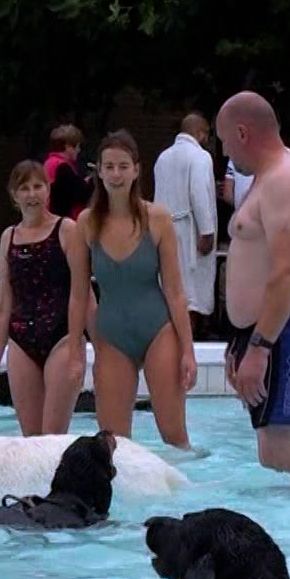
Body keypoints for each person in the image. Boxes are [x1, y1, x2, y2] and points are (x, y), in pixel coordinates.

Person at [216, 91, 290, 484]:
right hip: (271, 333)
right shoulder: (265, 181)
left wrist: (259, 348)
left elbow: (288, 272)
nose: (224, 151)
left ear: (242, 132)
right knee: (275, 457)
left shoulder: (287, 179)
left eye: (223, 141)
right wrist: (242, 339)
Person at [82, 130, 197, 448]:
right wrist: (93, 344)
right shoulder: (87, 223)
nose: (116, 174)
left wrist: (187, 349)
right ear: (99, 171)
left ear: (136, 169)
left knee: (174, 436)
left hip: (158, 330)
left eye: (123, 166)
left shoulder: (158, 218)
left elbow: (175, 291)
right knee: (112, 445)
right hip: (112, 337)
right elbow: (80, 294)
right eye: (109, 167)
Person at [0, 160, 91, 436]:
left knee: (51, 441)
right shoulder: (9, 237)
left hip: (61, 338)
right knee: (31, 444)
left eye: (38, 186)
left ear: (48, 190)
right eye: (24, 188)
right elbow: (5, 305)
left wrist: (78, 347)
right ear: (14, 196)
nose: (32, 194)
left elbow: (81, 293)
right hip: (21, 342)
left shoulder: (67, 230)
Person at [152, 113, 220, 338]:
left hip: (164, 232)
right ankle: (189, 341)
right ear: (200, 132)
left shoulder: (163, 157)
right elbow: (199, 193)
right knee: (191, 296)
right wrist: (207, 231)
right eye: (206, 134)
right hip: (191, 233)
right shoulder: (200, 157)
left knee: (171, 290)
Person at [44, 124, 92, 221]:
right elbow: (82, 195)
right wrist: (93, 180)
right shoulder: (62, 167)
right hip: (62, 222)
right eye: (77, 146)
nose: (79, 150)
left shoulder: (49, 163)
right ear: (68, 146)